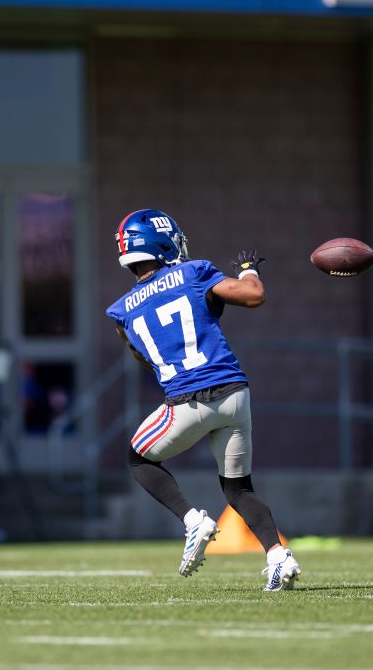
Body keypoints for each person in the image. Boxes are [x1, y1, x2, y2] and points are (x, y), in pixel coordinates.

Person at [105, 209, 302, 591]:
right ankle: (278, 556)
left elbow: (148, 361)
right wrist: (248, 268)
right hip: (235, 394)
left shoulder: (121, 312)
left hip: (188, 403)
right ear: (162, 242)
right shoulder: (194, 272)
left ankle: (192, 519)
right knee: (239, 489)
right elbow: (253, 294)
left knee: (138, 457)